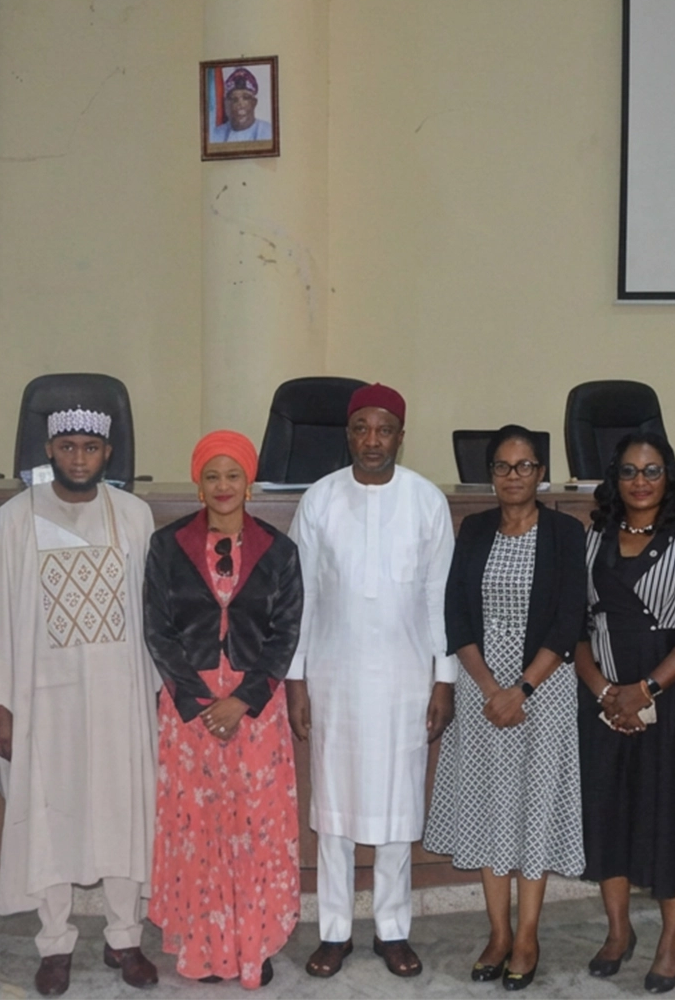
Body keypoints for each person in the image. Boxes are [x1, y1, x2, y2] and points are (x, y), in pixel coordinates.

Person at [0, 407, 160, 998]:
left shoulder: (133, 515)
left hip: (118, 697)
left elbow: (154, 611)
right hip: (42, 701)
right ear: (49, 448)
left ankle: (125, 937)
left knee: (123, 811)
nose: (79, 457)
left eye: (91, 447)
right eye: (68, 446)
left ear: (109, 453)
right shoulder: (11, 519)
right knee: (51, 817)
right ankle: (54, 944)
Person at [285, 382, 455, 980]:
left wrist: (444, 679)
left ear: (401, 437)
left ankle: (391, 929)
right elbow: (299, 599)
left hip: (406, 679)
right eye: (362, 429)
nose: (373, 440)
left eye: (384, 430)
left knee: (396, 806)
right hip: (333, 677)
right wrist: (296, 680)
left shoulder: (427, 501)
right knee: (333, 809)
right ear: (348, 434)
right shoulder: (320, 500)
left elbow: (440, 599)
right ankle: (333, 931)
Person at [424, 424, 588, 991]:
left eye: (524, 466)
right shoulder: (472, 530)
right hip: (480, 691)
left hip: (543, 688)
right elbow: (456, 615)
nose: (512, 476)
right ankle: (497, 933)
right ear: (488, 473)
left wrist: (522, 688)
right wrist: (490, 686)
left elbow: (571, 619)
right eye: (501, 466)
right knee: (491, 810)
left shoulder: (567, 532)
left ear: (541, 472)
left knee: (533, 810)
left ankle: (528, 936)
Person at [143, 431, 304, 990]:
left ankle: (252, 943)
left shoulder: (280, 551)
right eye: (211, 476)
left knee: (254, 827)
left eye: (233, 475)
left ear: (249, 482)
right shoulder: (167, 545)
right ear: (198, 482)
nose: (223, 486)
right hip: (188, 708)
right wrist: (194, 700)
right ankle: (202, 944)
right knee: (199, 828)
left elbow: (285, 635)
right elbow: (158, 630)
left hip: (255, 708)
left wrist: (243, 700)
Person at [574, 430, 675, 995]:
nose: (641, 482)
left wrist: (646, 688)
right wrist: (604, 692)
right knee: (608, 813)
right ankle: (618, 933)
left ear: (670, 478)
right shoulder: (592, 540)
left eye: (653, 471)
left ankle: (670, 939)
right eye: (630, 472)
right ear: (615, 480)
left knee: (670, 815)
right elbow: (576, 626)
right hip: (603, 698)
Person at [209, 66, 272, 143]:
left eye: (246, 97)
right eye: (234, 99)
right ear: (226, 103)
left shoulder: (269, 132)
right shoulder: (215, 135)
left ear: (254, 102)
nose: (240, 104)